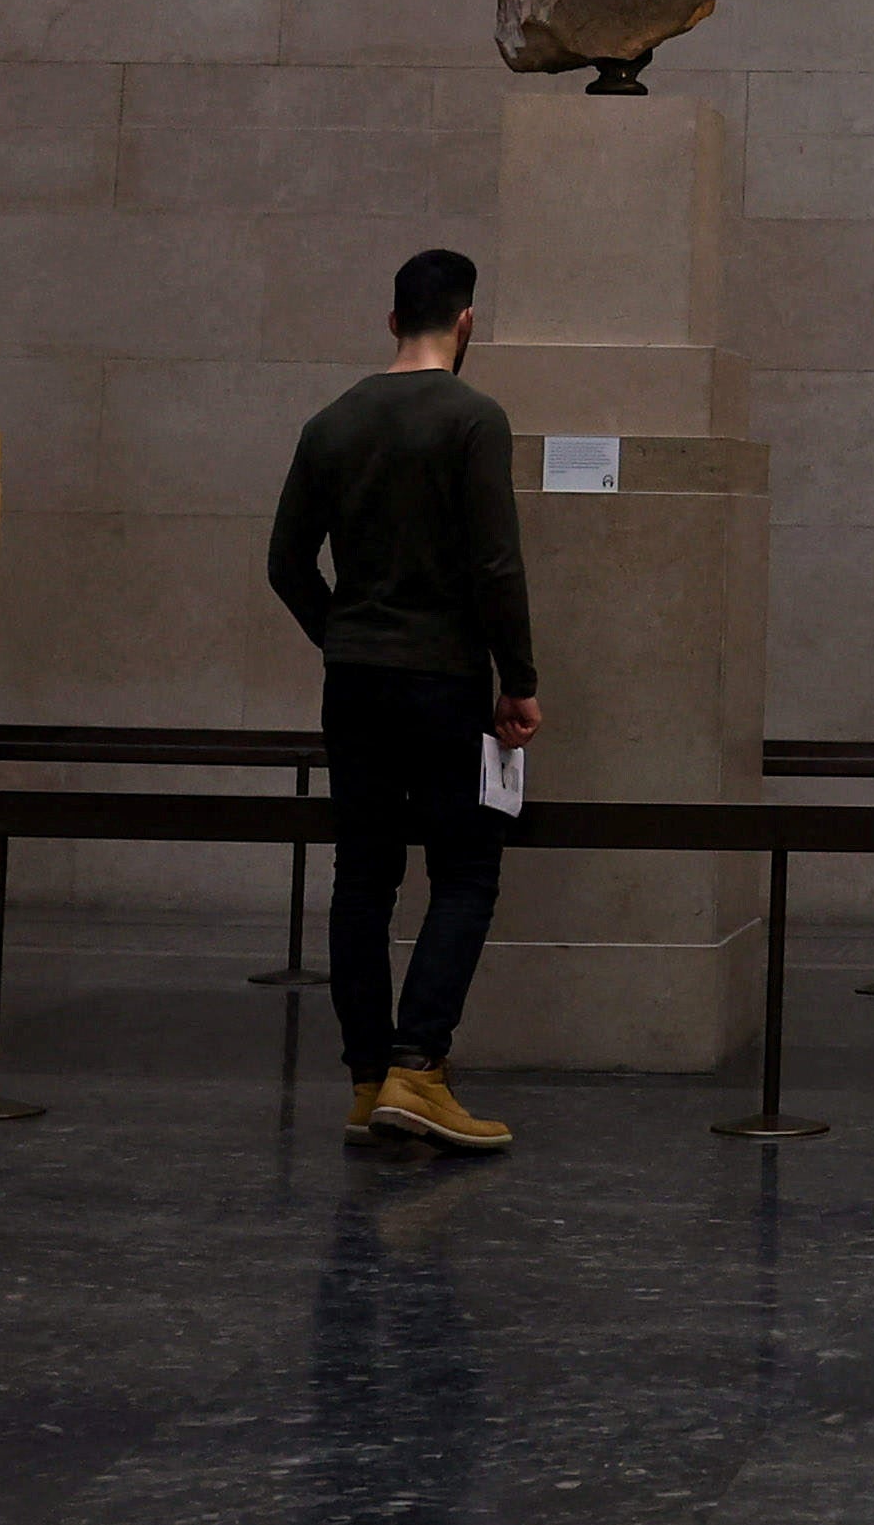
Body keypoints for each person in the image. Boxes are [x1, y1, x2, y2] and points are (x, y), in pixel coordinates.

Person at [264, 248, 545, 1152]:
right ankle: (419, 1068)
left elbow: (285, 563)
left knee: (363, 877)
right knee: (465, 871)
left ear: (392, 320)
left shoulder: (331, 421)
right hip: (444, 681)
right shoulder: (475, 418)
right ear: (466, 324)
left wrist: (343, 633)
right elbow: (496, 564)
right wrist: (521, 679)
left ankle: (365, 1079)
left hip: (353, 684)